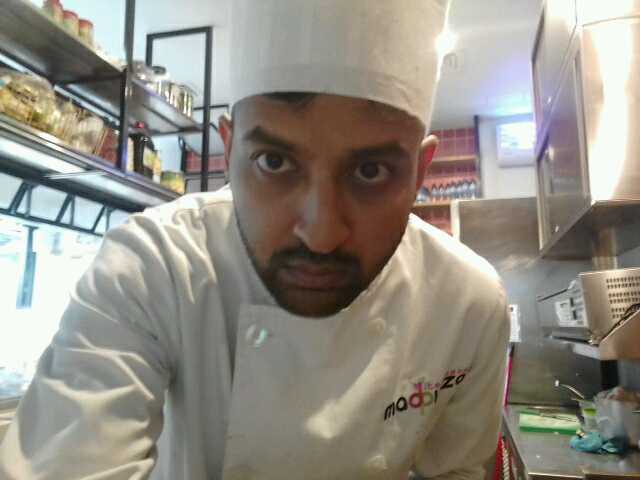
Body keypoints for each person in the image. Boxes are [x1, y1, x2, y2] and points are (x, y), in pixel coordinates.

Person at [0, 0, 510, 478]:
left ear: (420, 171)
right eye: (275, 162)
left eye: (371, 171)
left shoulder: (466, 304)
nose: (321, 235)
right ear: (229, 151)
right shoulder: (154, 266)